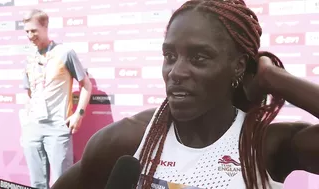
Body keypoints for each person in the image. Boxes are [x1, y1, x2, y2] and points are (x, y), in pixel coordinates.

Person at [51, 0, 319, 189]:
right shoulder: (127, 139)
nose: (176, 72)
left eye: (199, 57)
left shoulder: (262, 144)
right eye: (170, 56)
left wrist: (273, 78)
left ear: (238, 66)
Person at [21, 9, 92, 189]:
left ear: (45, 27)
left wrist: (79, 114)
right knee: (37, 183)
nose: (30, 36)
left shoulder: (65, 52)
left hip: (57, 128)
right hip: (33, 128)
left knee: (63, 182)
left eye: (34, 30)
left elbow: (86, 85)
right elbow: (29, 91)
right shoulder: (29, 58)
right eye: (27, 31)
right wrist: (27, 120)